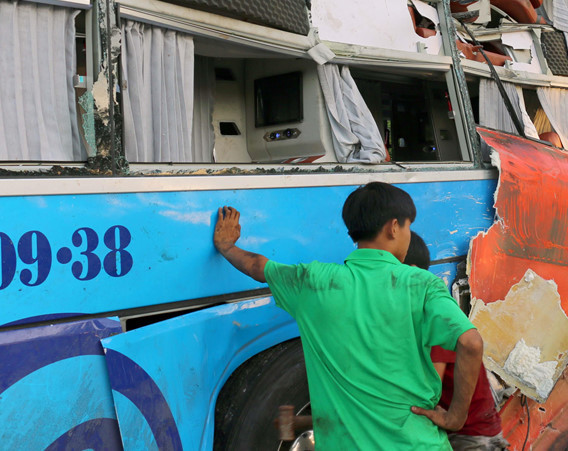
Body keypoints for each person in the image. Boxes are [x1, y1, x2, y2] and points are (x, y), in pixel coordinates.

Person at [213, 182, 485, 450]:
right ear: (393, 227)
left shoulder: (313, 282)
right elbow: (470, 343)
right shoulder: (423, 285)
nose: (408, 234)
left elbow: (258, 266)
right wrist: (455, 417)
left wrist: (226, 246)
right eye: (407, 227)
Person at [404, 233, 509, 450]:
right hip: (464, 429)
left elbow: (427, 386)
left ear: (410, 272)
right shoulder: (420, 308)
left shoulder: (429, 312)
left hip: (471, 435)